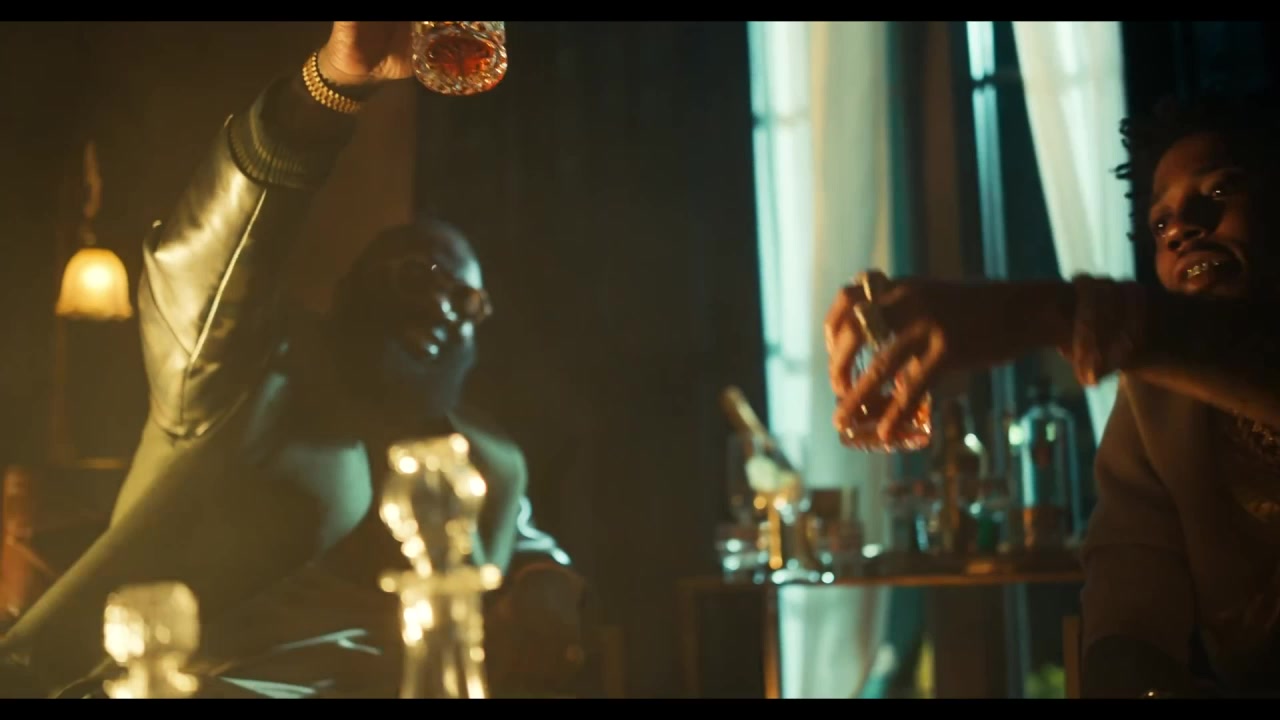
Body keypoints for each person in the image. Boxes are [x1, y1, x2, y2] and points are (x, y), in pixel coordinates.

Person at [0, 21, 588, 698]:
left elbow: (522, 539)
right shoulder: (240, 381)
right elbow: (202, 267)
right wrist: (327, 91)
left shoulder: (480, 454)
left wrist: (547, 583)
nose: (441, 305)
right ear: (348, 293)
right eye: (416, 274)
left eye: (466, 298)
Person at [823, 90, 1280, 698]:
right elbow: (1127, 604)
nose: (1181, 228)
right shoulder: (1154, 403)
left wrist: (1045, 313)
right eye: (1160, 222)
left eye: (1219, 192)